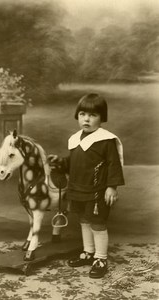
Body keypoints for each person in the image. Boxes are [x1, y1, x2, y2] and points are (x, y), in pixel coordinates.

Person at [48, 93, 125, 278]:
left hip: (97, 191)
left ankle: (100, 258)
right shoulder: (75, 139)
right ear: (78, 116)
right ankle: (89, 252)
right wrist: (60, 161)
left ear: (102, 117)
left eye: (92, 115)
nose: (87, 119)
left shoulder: (106, 140)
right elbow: (74, 163)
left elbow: (114, 164)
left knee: (97, 223)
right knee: (83, 220)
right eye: (83, 114)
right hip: (78, 188)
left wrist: (112, 186)